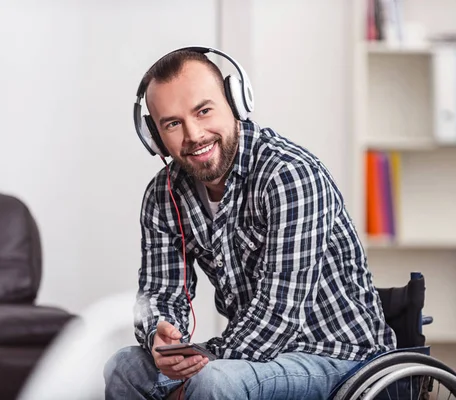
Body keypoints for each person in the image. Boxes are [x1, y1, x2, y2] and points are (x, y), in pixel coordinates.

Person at [103, 46, 396, 400]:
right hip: (253, 357)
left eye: (204, 111)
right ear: (155, 136)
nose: (193, 135)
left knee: (213, 382)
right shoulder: (164, 195)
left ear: (236, 102)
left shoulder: (289, 176)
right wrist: (161, 335)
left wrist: (198, 370)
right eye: (173, 123)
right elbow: (159, 292)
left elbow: (279, 318)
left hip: (337, 358)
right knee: (125, 366)